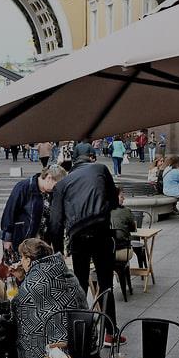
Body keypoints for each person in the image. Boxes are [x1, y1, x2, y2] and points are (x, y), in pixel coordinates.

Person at [47, 141, 119, 334]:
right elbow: (114, 201)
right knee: (106, 284)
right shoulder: (100, 169)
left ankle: (80, 331)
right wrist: (102, 210)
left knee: (80, 283)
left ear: (73, 159)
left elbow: (55, 222)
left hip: (78, 237)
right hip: (102, 233)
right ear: (92, 157)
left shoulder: (62, 184)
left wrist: (58, 250)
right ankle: (110, 332)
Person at [10, 238, 87, 358]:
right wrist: (23, 278)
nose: (21, 261)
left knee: (10, 343)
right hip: (82, 343)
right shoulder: (65, 272)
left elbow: (17, 311)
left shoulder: (32, 284)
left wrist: (23, 282)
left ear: (28, 260)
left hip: (53, 352)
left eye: (22, 257)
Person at [0, 165, 65, 254]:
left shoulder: (53, 193)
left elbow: (56, 221)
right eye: (56, 185)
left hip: (42, 244)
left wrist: (59, 249)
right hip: (22, 242)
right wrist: (7, 239)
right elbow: (9, 213)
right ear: (49, 178)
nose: (57, 188)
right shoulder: (24, 187)